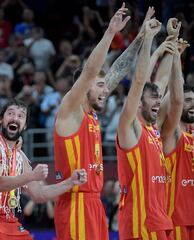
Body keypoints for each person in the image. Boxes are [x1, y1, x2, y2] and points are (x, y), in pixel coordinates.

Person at [53, 4, 131, 240]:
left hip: (94, 203)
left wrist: (143, 40)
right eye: (99, 84)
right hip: (76, 202)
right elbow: (90, 72)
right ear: (84, 88)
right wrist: (110, 33)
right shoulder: (70, 111)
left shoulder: (91, 115)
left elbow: (117, 72)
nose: (105, 89)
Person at [0, 100, 87, 239]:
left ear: (25, 125)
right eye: (10, 113)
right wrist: (31, 176)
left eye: (21, 116)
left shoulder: (19, 156)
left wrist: (71, 182)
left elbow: (39, 194)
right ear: (1, 119)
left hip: (9, 220)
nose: (15, 118)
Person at [116, 18, 182, 239]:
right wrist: (148, 41)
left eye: (158, 97)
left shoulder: (153, 130)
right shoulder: (130, 128)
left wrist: (172, 40)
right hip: (139, 224)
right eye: (152, 97)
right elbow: (138, 82)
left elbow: (161, 80)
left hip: (159, 219)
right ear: (138, 104)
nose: (158, 101)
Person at [163, 35, 194, 240]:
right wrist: (176, 57)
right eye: (188, 101)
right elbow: (176, 100)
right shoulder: (172, 134)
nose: (192, 104)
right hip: (177, 221)